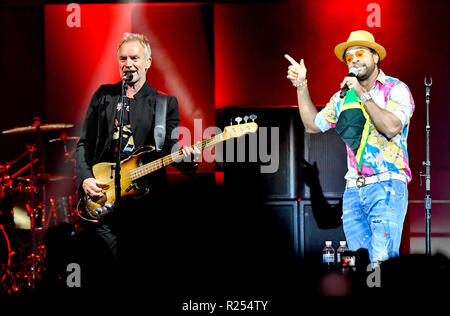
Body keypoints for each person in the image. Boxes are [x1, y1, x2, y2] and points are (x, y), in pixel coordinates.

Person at [75, 33, 201, 288]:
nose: (128, 63)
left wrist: (190, 159)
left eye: (135, 57)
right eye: (123, 58)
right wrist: (86, 178)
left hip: (147, 207)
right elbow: (84, 144)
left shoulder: (164, 103)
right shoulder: (103, 96)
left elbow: (169, 148)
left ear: (148, 62)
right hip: (106, 200)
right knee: (105, 276)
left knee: (143, 275)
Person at [285, 30, 414, 265]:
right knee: (360, 263)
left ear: (375, 57)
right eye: (349, 57)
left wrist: (363, 94)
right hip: (354, 189)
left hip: (387, 186)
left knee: (381, 263)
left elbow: (391, 127)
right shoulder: (343, 97)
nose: (353, 59)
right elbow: (312, 125)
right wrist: (301, 85)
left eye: (360, 53)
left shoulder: (395, 89)